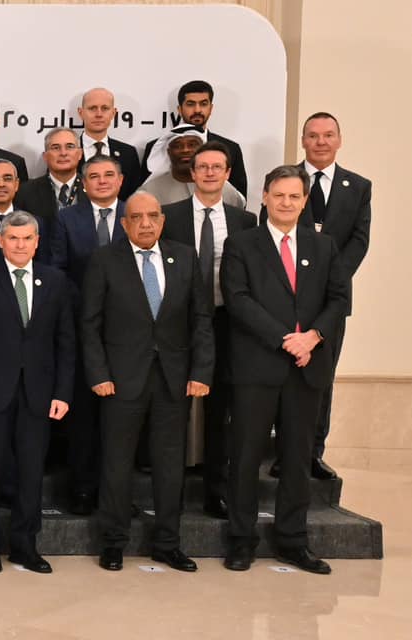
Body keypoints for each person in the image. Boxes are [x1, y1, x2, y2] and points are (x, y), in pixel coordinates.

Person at [219, 166, 349, 575]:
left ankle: (293, 541)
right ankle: (241, 541)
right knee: (245, 458)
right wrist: (284, 339)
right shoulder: (242, 244)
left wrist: (313, 337)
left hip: (306, 368)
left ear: (305, 200)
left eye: (294, 196)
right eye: (279, 195)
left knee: (296, 459)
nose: (286, 203)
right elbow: (238, 299)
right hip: (257, 367)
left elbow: (339, 299)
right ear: (264, 196)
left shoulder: (324, 245)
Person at [80, 192, 213, 573]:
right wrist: (99, 374)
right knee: (116, 463)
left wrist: (201, 372)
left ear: (162, 220)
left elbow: (201, 319)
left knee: (170, 465)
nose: (145, 223)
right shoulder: (105, 260)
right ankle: (113, 542)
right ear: (124, 224)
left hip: (173, 379)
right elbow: (89, 323)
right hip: (120, 380)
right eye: (136, 217)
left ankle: (167, 543)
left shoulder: (184, 257)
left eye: (153, 216)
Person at [0, 210, 74, 574]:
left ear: (37, 242)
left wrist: (62, 392)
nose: (20, 245)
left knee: (31, 473)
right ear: (1, 241)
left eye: (27, 239)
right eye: (13, 238)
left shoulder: (55, 280)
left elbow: (65, 341)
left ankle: (25, 546)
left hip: (38, 394)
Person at [159, 142, 256, 517]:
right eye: (203, 167)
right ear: (193, 173)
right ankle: (169, 490)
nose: (210, 173)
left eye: (218, 167)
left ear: (228, 174)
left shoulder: (244, 221)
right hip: (177, 323)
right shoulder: (170, 216)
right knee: (172, 408)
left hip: (226, 321)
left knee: (220, 410)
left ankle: (216, 490)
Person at [48, 155, 128, 515]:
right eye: (94, 176)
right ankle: (82, 489)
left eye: (109, 175)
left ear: (121, 180)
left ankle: (117, 493)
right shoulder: (67, 218)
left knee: (122, 417)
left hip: (129, 332)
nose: (102, 181)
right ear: (84, 183)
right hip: (82, 328)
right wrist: (89, 308)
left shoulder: (135, 214)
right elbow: (58, 271)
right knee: (83, 417)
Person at [292, 112, 370, 479]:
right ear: (303, 141)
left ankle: (314, 453)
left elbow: (359, 241)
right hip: (288, 295)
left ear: (339, 140)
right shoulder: (284, 179)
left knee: (322, 378)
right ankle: (285, 452)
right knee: (286, 379)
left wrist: (329, 281)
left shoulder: (359, 186)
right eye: (313, 135)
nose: (320, 142)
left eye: (328, 135)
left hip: (332, 300)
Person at [141, 80, 247, 195]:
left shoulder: (231, 149)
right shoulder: (155, 147)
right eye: (190, 104)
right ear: (179, 110)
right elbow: (144, 194)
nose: (197, 110)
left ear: (211, 108)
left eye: (203, 104)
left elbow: (239, 199)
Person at [140, 126, 246, 209]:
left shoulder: (225, 189)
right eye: (177, 146)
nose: (185, 150)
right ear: (169, 152)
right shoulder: (148, 192)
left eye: (192, 145)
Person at [76, 88, 147, 197]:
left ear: (113, 113)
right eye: (92, 108)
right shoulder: (67, 152)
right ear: (81, 112)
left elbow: (133, 197)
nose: (99, 114)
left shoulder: (128, 153)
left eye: (105, 108)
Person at [13, 128, 82, 224]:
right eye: (56, 148)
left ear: (80, 154)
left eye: (69, 147)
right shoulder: (25, 192)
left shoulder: (94, 187)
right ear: (45, 156)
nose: (63, 153)